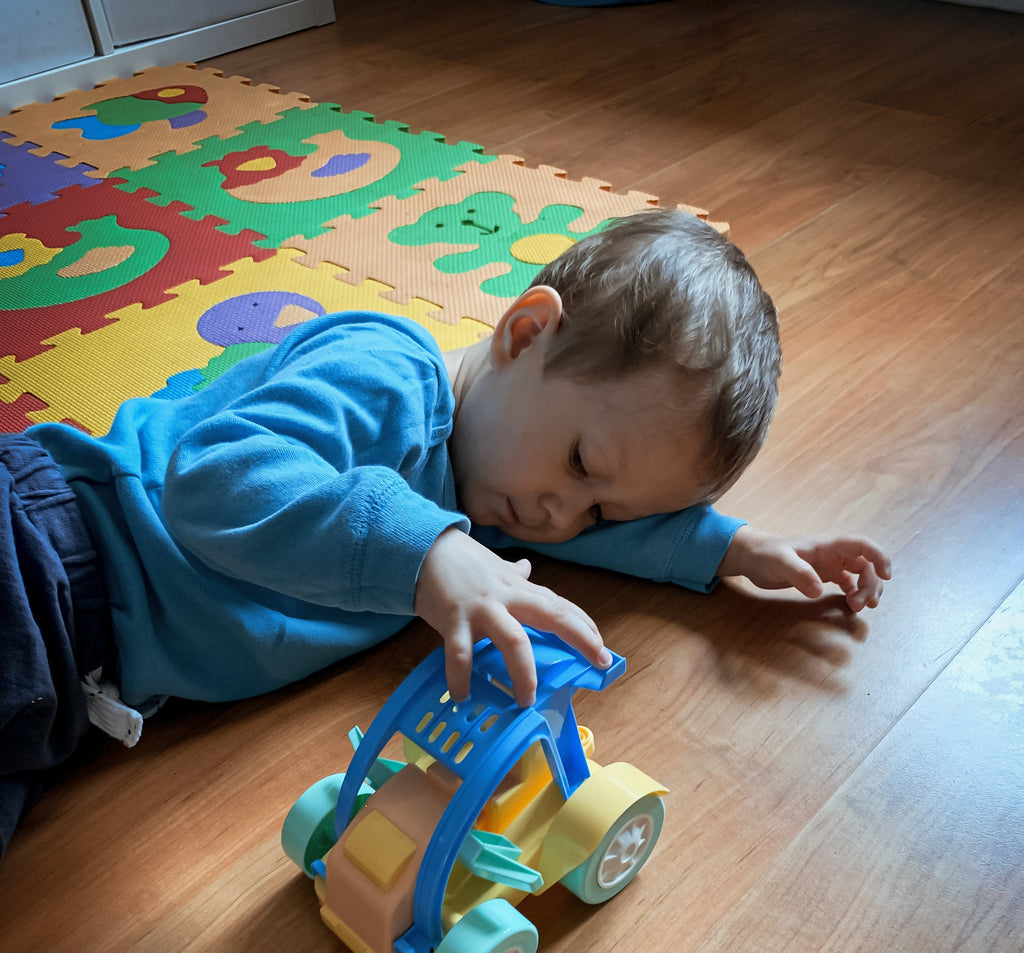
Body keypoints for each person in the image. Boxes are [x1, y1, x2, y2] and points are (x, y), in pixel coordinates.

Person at [0, 210, 889, 853]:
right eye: (581, 466)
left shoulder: (506, 475)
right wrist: (430, 553)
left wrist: (733, 548)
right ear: (525, 332)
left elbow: (579, 520)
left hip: (79, 690)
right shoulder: (387, 374)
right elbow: (213, 479)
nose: (559, 519)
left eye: (603, 511)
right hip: (53, 552)